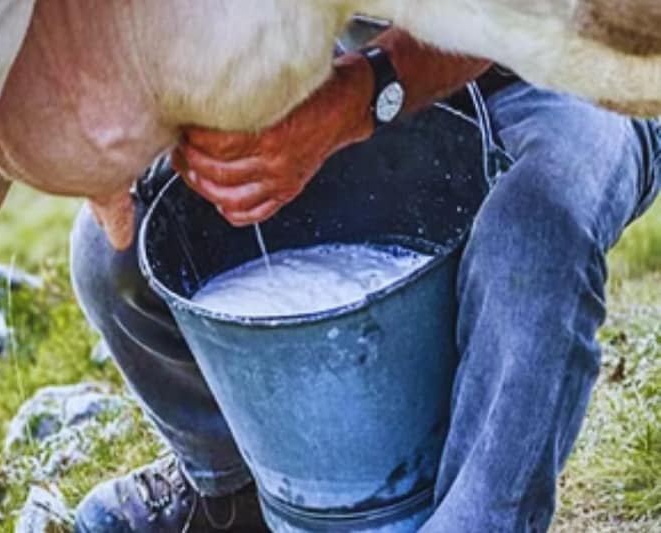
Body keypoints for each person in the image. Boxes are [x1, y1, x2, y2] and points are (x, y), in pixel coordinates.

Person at [68, 22, 661, 533]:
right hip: (355, 56)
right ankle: (231, 488)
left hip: (580, 71)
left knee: (533, 238)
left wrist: (357, 100)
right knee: (114, 250)